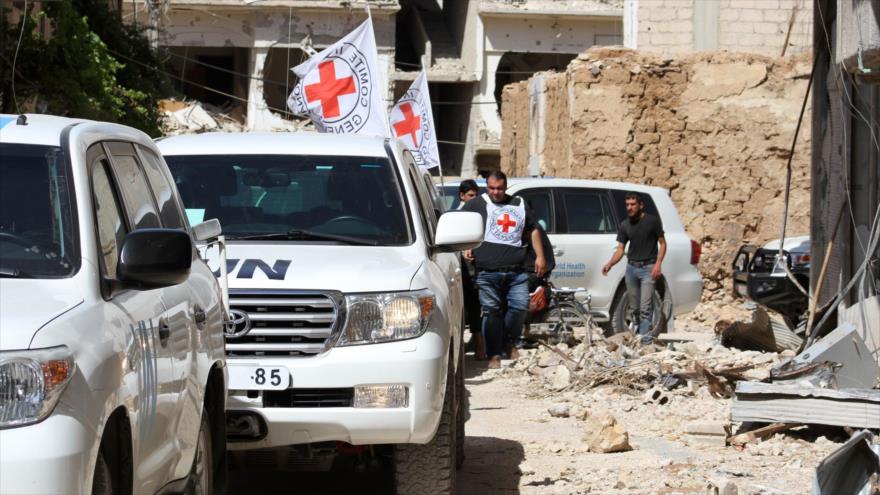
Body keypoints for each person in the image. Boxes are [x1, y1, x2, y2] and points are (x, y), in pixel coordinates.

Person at [463, 171, 546, 368]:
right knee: (492, 313)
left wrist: (540, 256)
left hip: (516, 271)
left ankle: (507, 341)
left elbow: (533, 228)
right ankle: (495, 355)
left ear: (505, 187)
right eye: (491, 188)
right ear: (487, 187)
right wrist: (465, 245)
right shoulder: (476, 204)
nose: (495, 192)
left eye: (499, 188)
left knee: (519, 307)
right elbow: (461, 225)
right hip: (487, 271)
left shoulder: (518, 204)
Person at [601, 192, 666, 344]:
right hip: (631, 268)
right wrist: (610, 263)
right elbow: (620, 249)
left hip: (648, 268)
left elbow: (663, 243)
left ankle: (645, 341)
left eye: (632, 204)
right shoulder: (625, 225)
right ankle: (637, 336)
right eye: (627, 205)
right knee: (634, 308)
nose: (629, 208)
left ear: (641, 205)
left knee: (645, 307)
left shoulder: (652, 221)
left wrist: (658, 264)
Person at [457, 179, 485, 359]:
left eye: (476, 196)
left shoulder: (479, 214)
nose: (474, 199)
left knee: (476, 306)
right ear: (462, 196)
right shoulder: (458, 215)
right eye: (470, 196)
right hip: (462, 268)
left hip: (478, 266)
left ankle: (479, 344)